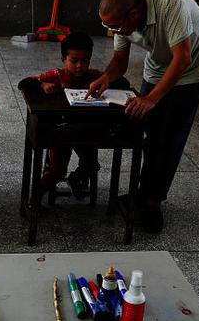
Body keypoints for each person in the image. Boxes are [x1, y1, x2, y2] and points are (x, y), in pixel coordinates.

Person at [87, 0, 199, 233]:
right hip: (158, 66)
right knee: (149, 132)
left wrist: (151, 99)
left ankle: (153, 201)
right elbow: (120, 61)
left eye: (115, 27)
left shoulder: (169, 5)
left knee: (170, 137)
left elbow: (183, 58)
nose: (113, 31)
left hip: (191, 69)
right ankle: (143, 191)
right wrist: (106, 78)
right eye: (108, 27)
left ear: (133, 15)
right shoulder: (122, 18)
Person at [17, 31, 126, 201]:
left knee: (92, 166)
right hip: (61, 131)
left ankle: (76, 179)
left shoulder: (95, 76)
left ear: (89, 60)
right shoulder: (56, 76)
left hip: (86, 131)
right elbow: (23, 83)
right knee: (56, 171)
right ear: (63, 59)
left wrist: (107, 80)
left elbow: (123, 83)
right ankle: (35, 198)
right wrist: (42, 84)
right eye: (73, 61)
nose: (79, 66)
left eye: (84, 61)